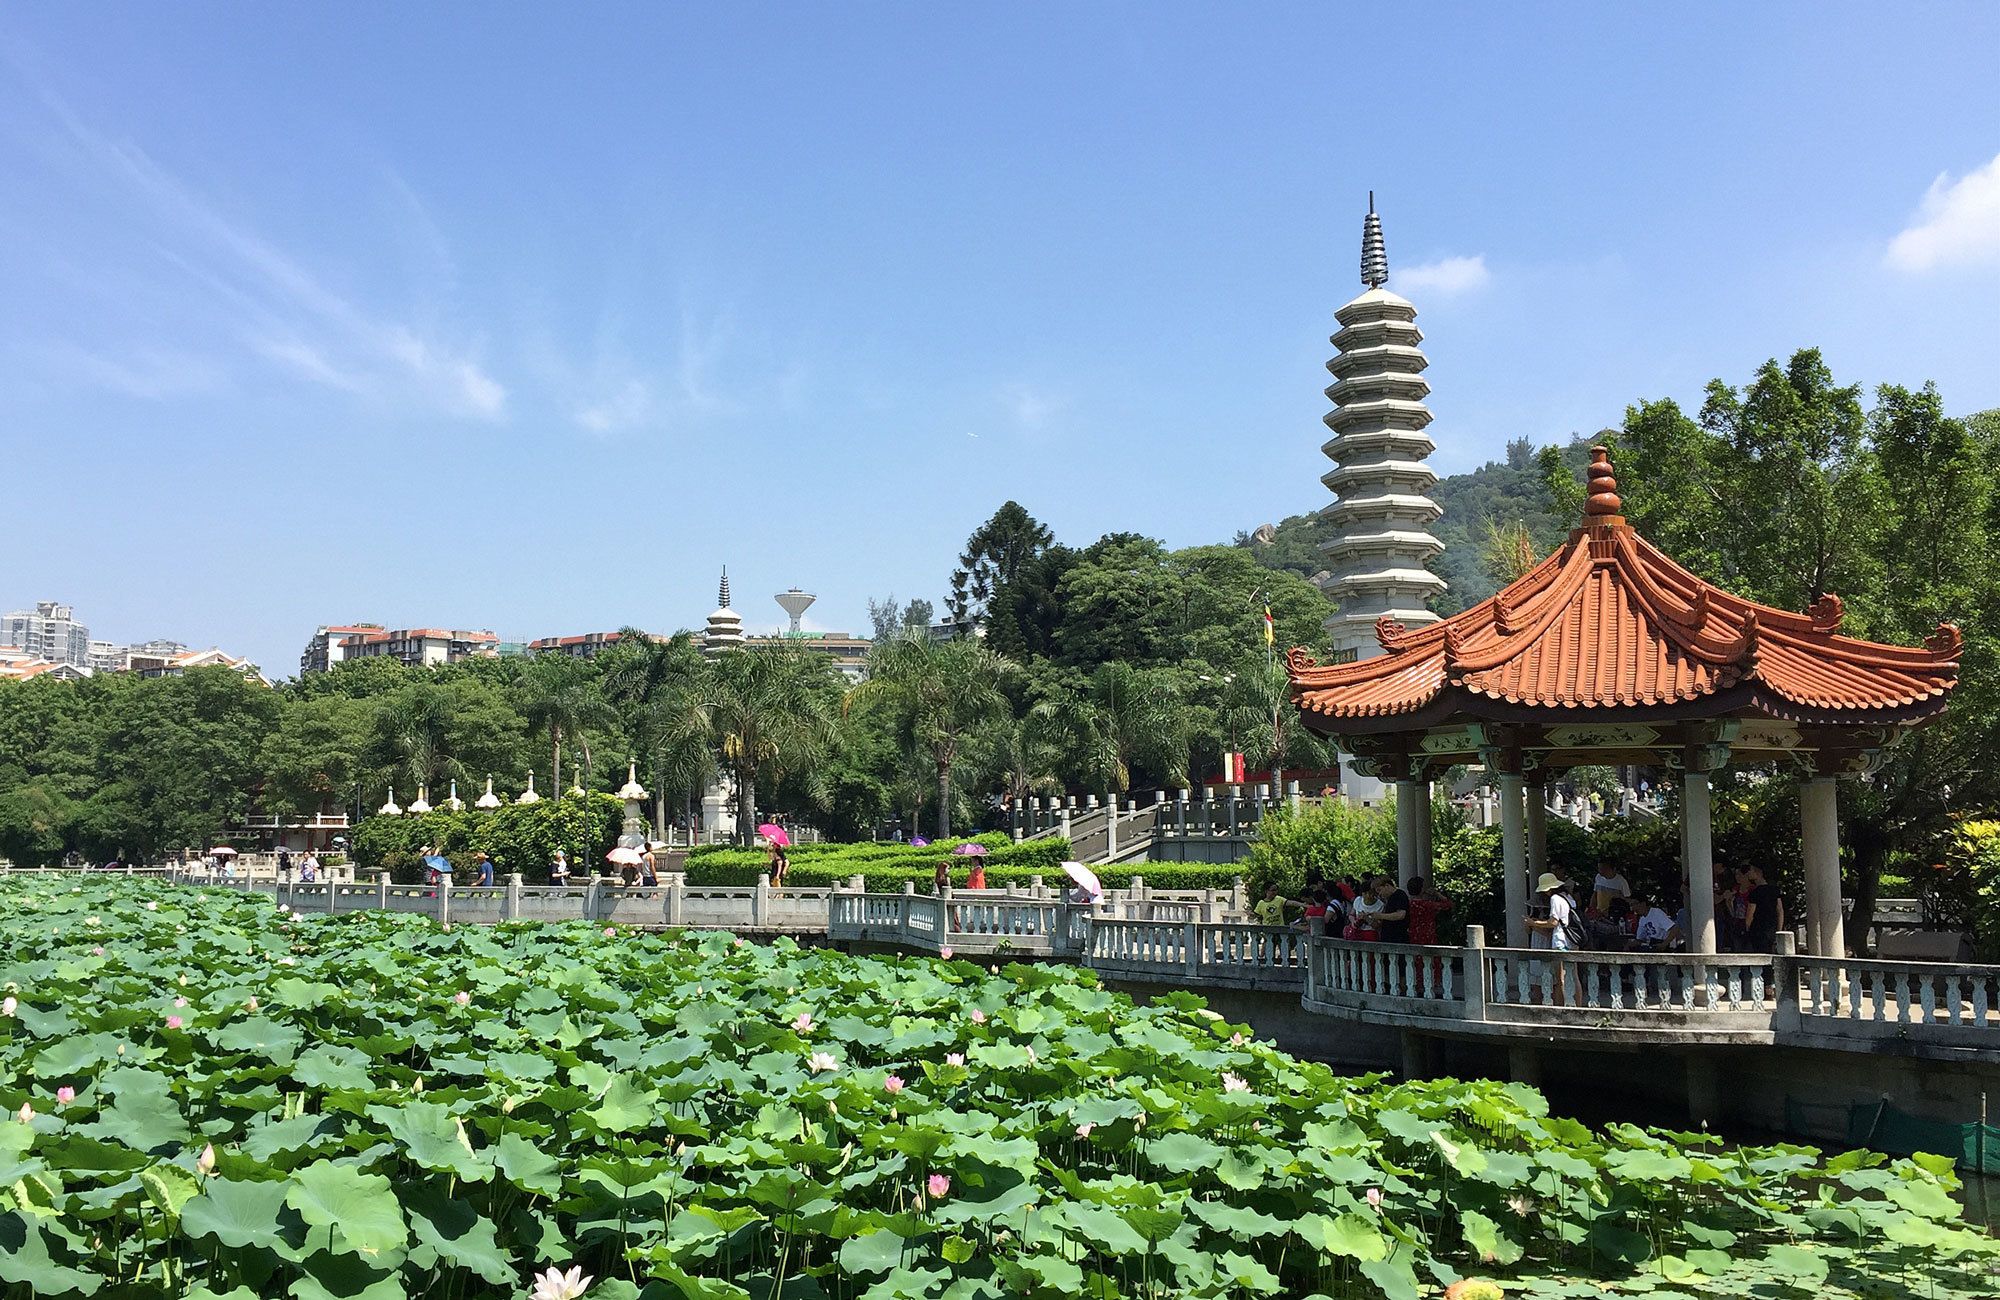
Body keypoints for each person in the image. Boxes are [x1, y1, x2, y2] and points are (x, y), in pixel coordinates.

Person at [1525, 872, 1577, 1005]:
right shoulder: (1568, 898)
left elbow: (1553, 922)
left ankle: (1560, 1008)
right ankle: (1578, 1005)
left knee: (1560, 980)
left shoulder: (1555, 898)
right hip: (1573, 939)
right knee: (1574, 977)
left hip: (1561, 941)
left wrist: (1534, 923)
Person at [1740, 864, 1784, 953]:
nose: (1748, 873)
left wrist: (1748, 928)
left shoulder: (1755, 893)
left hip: (1758, 929)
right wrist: (1779, 929)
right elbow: (1780, 911)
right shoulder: (1775, 890)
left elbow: (1750, 914)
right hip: (1771, 928)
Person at [1406, 877, 1453, 946]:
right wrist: (1437, 894)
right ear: (1421, 889)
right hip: (1427, 936)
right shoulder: (1427, 905)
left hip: (1413, 935)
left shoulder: (1408, 905)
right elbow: (1448, 905)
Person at [1371, 875, 1412, 944]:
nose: (1380, 894)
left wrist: (1381, 916)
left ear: (1386, 886)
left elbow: (1401, 915)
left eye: (1379, 890)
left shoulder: (1400, 895)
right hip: (1388, 939)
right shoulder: (1389, 899)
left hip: (1398, 939)